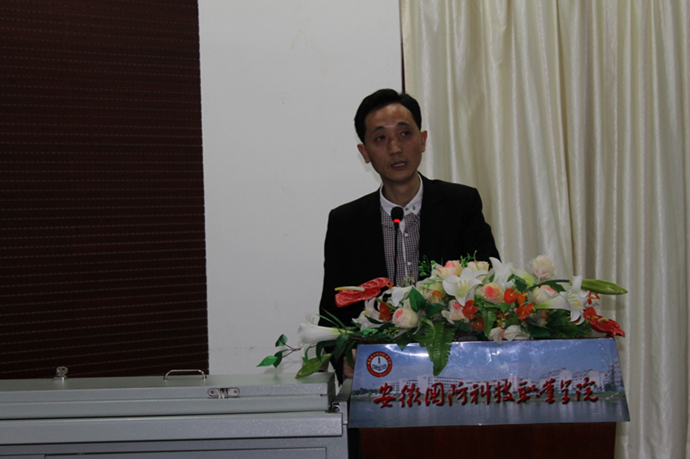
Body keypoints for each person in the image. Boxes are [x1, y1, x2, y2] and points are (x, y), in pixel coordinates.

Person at [318, 88, 500, 382]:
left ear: (423, 140)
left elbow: (488, 284)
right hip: (380, 374)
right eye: (380, 138)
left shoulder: (460, 205)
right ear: (365, 153)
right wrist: (344, 356)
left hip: (456, 370)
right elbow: (332, 311)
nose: (395, 148)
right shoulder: (346, 223)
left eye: (405, 134)